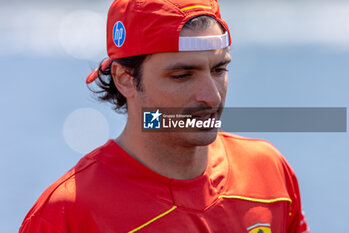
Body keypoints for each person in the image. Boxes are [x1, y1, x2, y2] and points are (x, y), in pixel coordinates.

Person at [19, 0, 310, 232]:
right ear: (125, 79)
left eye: (219, 70)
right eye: (182, 75)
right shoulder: (67, 214)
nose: (212, 96)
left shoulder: (268, 171)